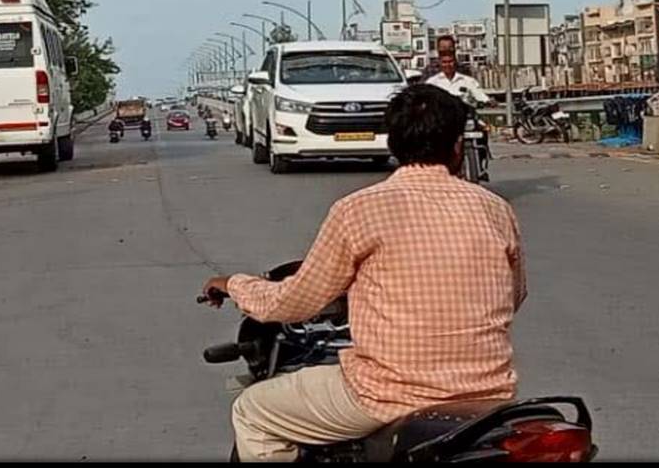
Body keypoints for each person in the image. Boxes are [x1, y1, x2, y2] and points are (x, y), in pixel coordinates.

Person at [200, 85, 527, 461]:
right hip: (490, 396)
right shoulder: (496, 209)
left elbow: (295, 301)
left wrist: (234, 284)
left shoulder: (360, 210)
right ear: (457, 146)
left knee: (253, 411)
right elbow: (513, 296)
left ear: (393, 144)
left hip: (389, 394)